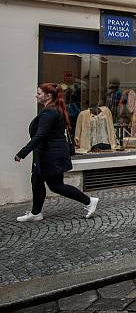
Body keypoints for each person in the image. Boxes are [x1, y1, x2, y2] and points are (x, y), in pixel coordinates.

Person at [14, 83, 99, 222]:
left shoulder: (50, 112)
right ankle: (36, 213)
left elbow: (40, 135)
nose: (36, 95)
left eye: (39, 93)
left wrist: (22, 153)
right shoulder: (53, 109)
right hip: (47, 153)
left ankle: (89, 201)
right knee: (36, 180)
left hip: (50, 155)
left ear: (48, 96)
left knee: (56, 186)